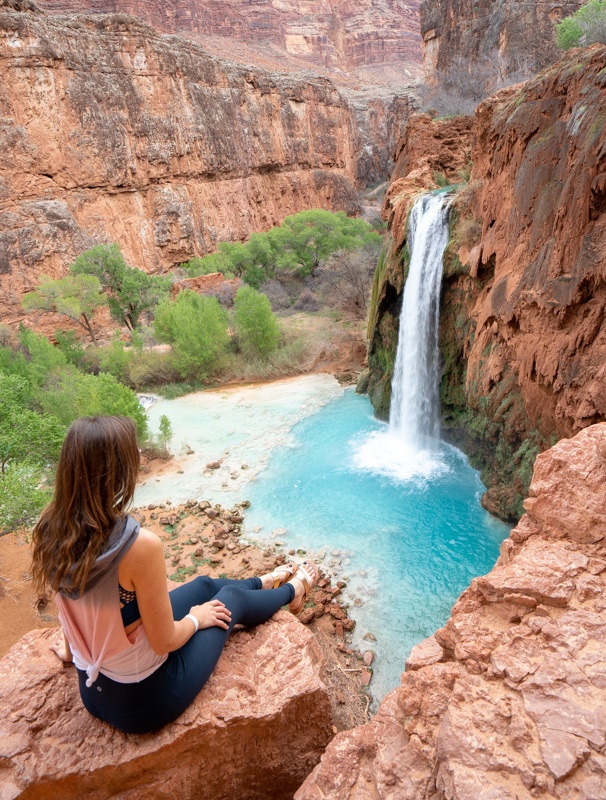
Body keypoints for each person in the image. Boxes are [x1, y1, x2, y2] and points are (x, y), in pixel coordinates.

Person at [31, 415, 317, 735]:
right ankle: (295, 590)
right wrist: (196, 618)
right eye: (133, 450)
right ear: (116, 471)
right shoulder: (139, 547)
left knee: (204, 584)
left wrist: (70, 653)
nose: (140, 454)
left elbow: (70, 605)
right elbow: (165, 641)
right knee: (227, 601)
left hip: (92, 690)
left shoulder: (50, 527)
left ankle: (264, 582)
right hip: (145, 700)